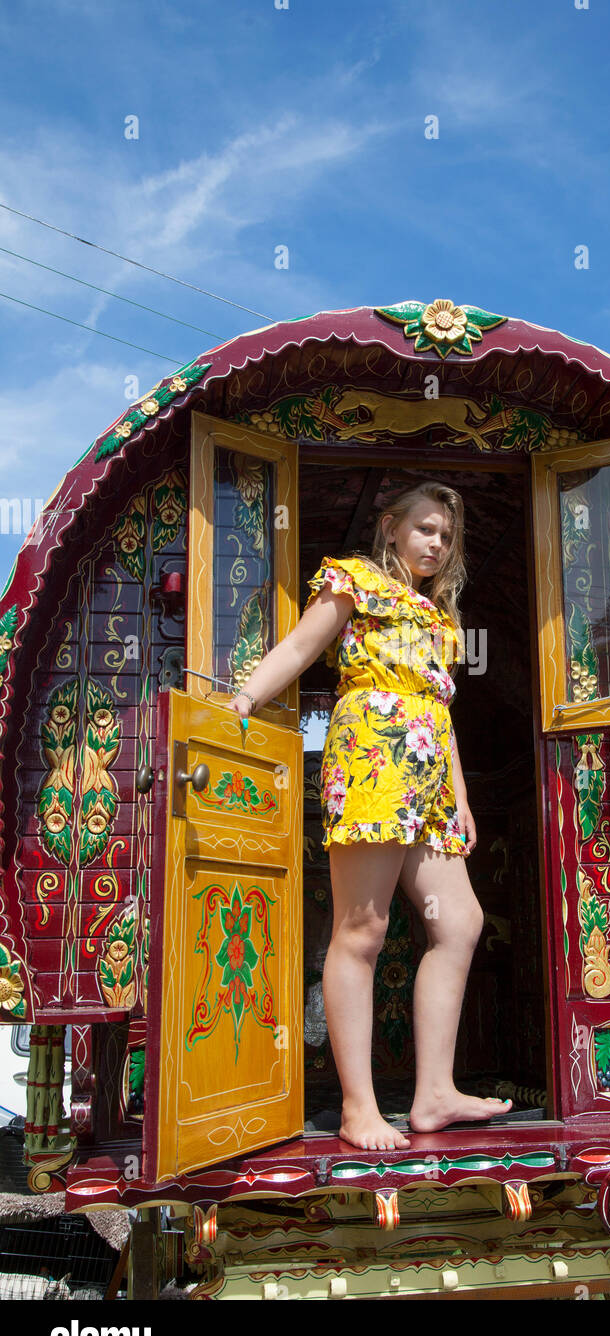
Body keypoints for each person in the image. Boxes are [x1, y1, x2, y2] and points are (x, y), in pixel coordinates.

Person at [226, 482, 512, 1150]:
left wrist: (461, 797)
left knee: (461, 922)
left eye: (447, 537)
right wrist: (242, 702)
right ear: (391, 527)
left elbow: (442, 716)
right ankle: (359, 1106)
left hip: (432, 781)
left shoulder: (439, 616)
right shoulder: (353, 582)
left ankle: (434, 1094)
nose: (438, 545)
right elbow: (299, 650)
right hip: (373, 764)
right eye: (427, 529)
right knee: (363, 929)